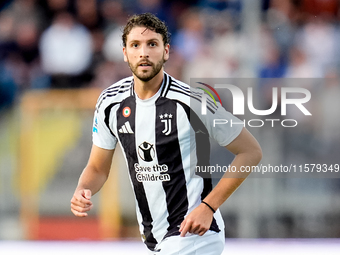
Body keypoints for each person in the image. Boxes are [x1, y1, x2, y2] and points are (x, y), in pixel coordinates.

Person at [70, 13, 262, 255]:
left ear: (166, 51)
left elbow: (250, 151)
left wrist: (208, 207)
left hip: (195, 236)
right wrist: (82, 189)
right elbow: (97, 168)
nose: (144, 53)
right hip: (155, 239)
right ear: (124, 53)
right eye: (135, 45)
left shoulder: (192, 101)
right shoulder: (110, 102)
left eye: (152, 44)